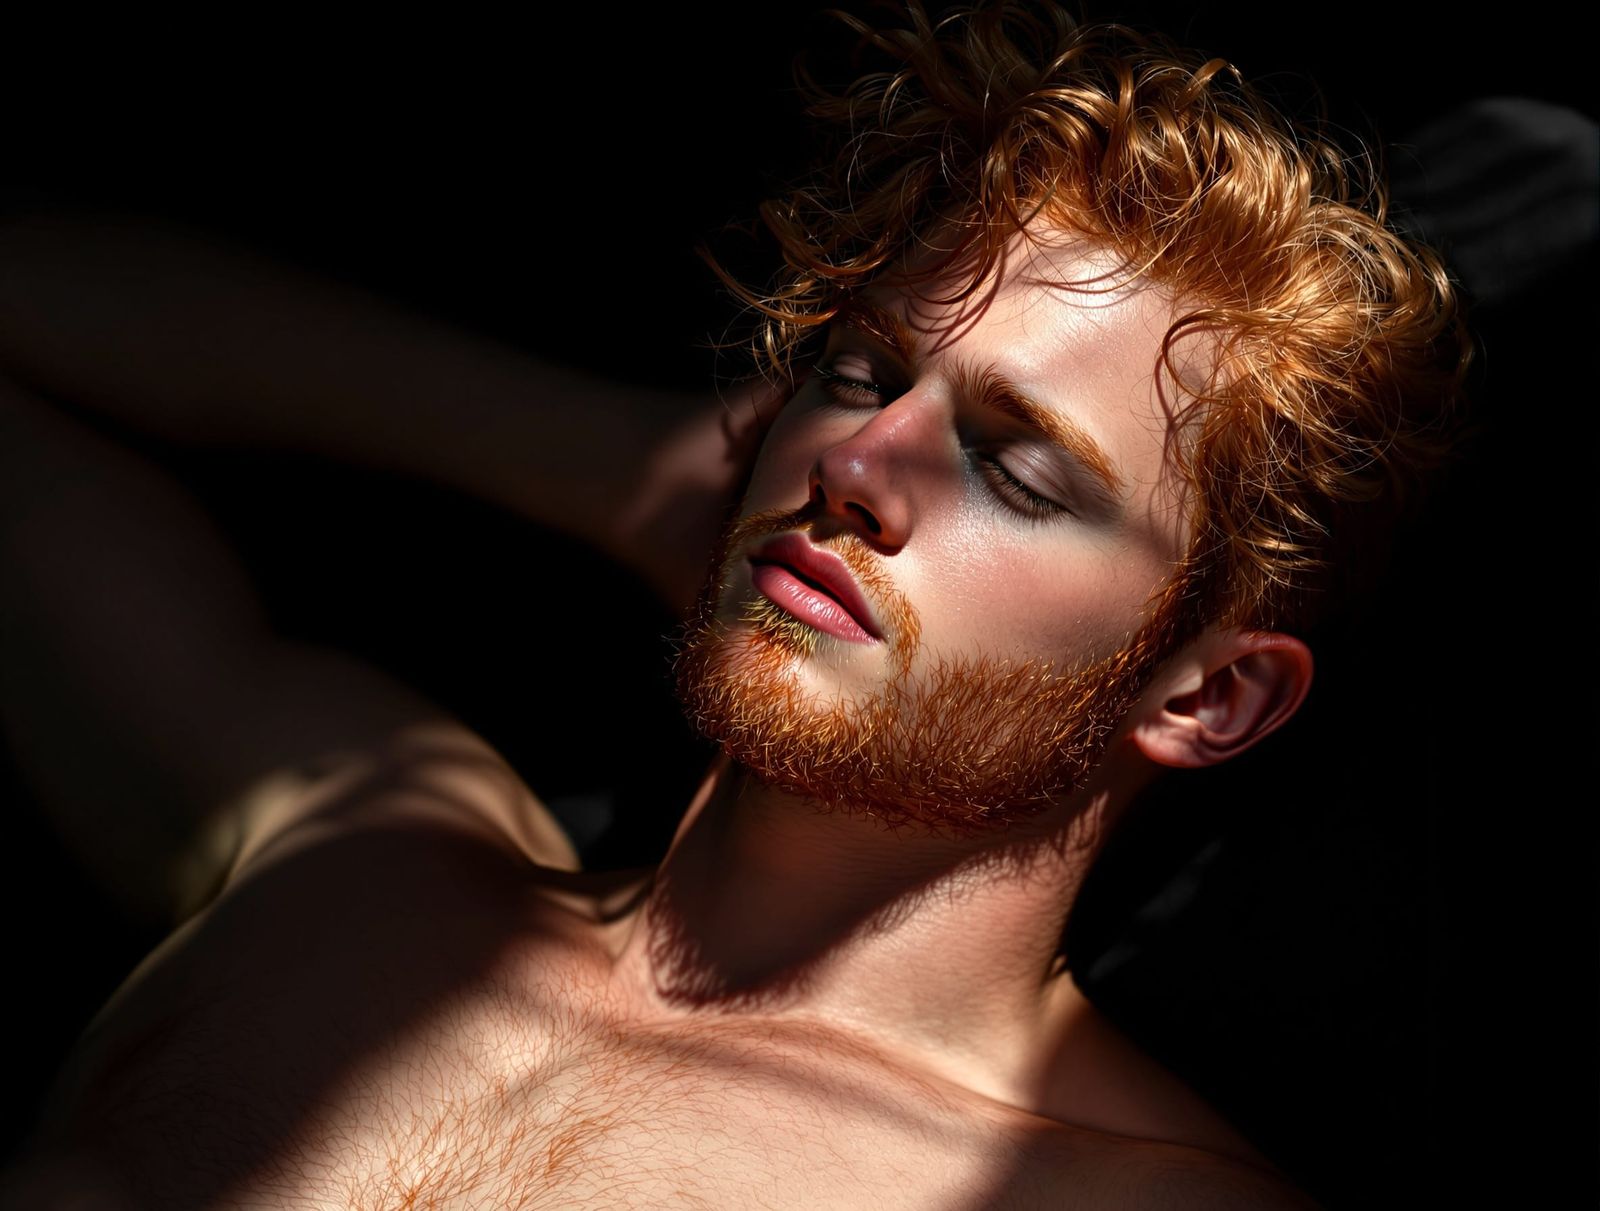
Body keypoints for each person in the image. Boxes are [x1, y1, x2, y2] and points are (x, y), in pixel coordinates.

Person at [0, 3, 1466, 1207]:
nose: (861, 465)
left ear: (1206, 694)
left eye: (1015, 470)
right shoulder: (347, 846)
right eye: (862, 374)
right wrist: (617, 466)